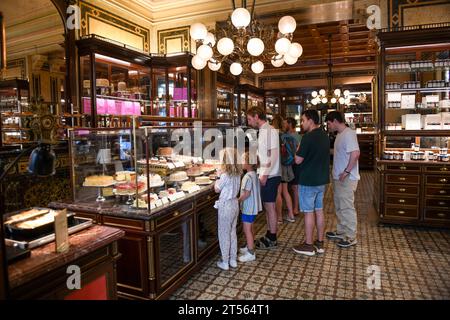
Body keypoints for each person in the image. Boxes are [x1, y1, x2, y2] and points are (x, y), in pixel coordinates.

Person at [292, 109, 330, 256]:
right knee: (319, 210)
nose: (302, 123)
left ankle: (308, 245)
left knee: (308, 213)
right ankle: (319, 243)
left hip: (308, 180)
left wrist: (297, 150)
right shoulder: (325, 136)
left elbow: (298, 160)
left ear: (311, 120)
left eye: (303, 120)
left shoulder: (308, 137)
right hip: (321, 180)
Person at [246, 107, 281, 250]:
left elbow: (273, 154)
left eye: (249, 119)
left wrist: (265, 173)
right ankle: (269, 234)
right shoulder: (263, 131)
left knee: (270, 207)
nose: (248, 122)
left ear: (256, 116)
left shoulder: (270, 130)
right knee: (268, 207)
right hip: (268, 173)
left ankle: (272, 238)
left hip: (271, 175)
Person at [325, 111, 360, 248]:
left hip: (346, 178)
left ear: (334, 120)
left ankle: (351, 236)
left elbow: (355, 153)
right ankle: (341, 231)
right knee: (339, 206)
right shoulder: (340, 135)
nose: (328, 126)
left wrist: (346, 171)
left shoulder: (349, 133)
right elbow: (340, 152)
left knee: (346, 207)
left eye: (328, 123)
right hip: (338, 177)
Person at [214, 148, 242, 270]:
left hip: (225, 206)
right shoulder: (238, 174)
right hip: (235, 204)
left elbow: (217, 189)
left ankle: (225, 261)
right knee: (232, 232)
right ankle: (233, 259)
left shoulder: (225, 175)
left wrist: (217, 177)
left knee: (223, 234)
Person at [238, 152, 262, 262]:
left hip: (248, 207)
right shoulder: (254, 175)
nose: (241, 163)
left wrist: (237, 200)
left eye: (243, 161)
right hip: (254, 207)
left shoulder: (247, 177)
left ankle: (251, 252)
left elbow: (246, 194)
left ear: (248, 163)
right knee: (251, 227)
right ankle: (249, 246)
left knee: (247, 229)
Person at [272, 115, 295, 224]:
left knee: (278, 192)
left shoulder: (274, 136)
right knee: (286, 192)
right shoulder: (288, 136)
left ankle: (279, 218)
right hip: (287, 166)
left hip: (278, 167)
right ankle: (291, 215)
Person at [285, 117, 302, 216]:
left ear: (290, 124)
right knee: (292, 187)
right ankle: (293, 207)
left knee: (294, 187)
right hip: (291, 163)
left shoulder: (295, 137)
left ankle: (295, 208)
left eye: (285, 123)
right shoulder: (297, 136)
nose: (284, 125)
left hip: (294, 164)